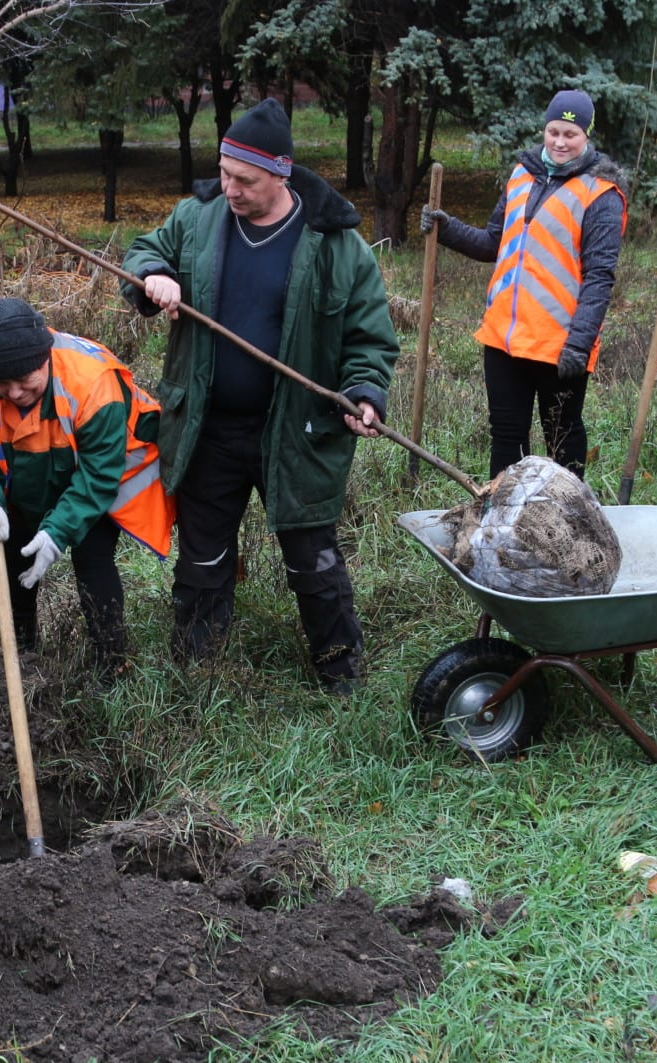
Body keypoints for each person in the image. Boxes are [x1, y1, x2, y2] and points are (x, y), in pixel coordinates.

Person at [119, 98, 398, 695]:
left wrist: (365, 392)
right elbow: (145, 251)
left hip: (296, 432)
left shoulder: (335, 244)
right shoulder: (198, 218)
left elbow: (369, 337)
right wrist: (154, 276)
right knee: (203, 557)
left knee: (311, 558)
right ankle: (200, 667)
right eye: (224, 174)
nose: (230, 188)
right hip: (208, 426)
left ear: (281, 172)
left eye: (243, 179)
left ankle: (340, 670)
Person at [0, 297, 173, 675]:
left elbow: (100, 474)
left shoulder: (93, 382)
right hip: (21, 480)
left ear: (45, 357)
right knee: (15, 557)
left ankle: (112, 664)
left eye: (25, 381)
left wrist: (58, 531)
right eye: (3, 384)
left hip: (89, 480)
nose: (15, 393)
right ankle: (23, 658)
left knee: (92, 558)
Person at [421, 89, 626, 479]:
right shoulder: (522, 175)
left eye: (570, 134)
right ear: (544, 130)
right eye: (553, 132)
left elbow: (600, 278)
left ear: (587, 136)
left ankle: (569, 520)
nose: (560, 141)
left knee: (561, 436)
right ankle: (504, 518)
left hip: (560, 345)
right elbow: (492, 243)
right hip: (504, 338)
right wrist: (447, 229)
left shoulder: (601, 194)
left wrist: (579, 344)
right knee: (506, 434)